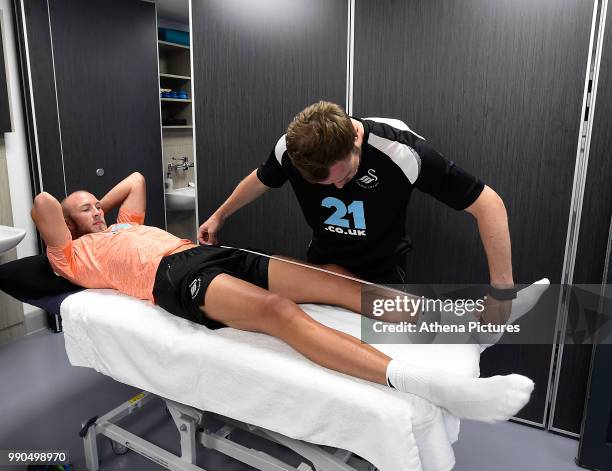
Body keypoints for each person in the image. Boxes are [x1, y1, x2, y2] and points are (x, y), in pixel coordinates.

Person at [31, 172, 541, 423]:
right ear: (70, 226)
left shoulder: (125, 225)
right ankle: (427, 384)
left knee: (338, 282)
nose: (99, 210)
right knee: (278, 312)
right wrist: (78, 217)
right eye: (88, 209)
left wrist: (99, 206)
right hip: (173, 276)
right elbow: (43, 202)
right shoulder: (72, 257)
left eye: (99, 205)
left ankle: (466, 322)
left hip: (210, 253)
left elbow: (138, 180)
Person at [198, 101, 516, 302]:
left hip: (384, 274)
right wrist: (219, 216)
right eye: (324, 183)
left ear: (355, 140)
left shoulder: (402, 151)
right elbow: (263, 177)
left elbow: (488, 204)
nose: (337, 188)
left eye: (345, 177)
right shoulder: (289, 149)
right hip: (323, 267)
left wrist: (502, 291)